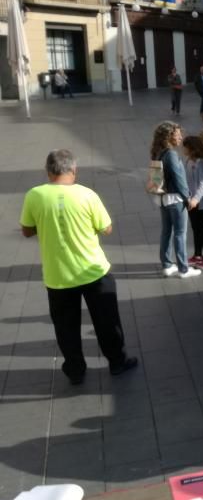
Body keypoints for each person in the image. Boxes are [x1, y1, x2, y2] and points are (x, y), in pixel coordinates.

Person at [20, 149, 138, 385]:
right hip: (94, 271)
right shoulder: (87, 195)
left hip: (58, 275)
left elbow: (26, 230)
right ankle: (116, 361)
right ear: (73, 170)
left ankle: (75, 369)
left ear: (48, 171)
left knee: (66, 327)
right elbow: (106, 228)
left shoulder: (34, 195)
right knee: (106, 321)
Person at [150, 122, 201, 278]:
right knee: (180, 233)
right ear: (169, 136)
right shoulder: (171, 154)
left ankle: (166, 264)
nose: (180, 137)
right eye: (177, 134)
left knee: (166, 232)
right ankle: (183, 269)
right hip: (176, 200)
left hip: (163, 199)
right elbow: (179, 180)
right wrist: (187, 198)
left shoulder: (159, 152)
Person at [182, 135, 203, 269]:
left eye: (186, 148)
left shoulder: (201, 163)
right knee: (195, 228)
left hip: (199, 202)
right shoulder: (189, 161)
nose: (184, 150)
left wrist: (196, 199)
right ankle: (197, 254)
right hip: (190, 201)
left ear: (192, 148)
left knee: (202, 229)